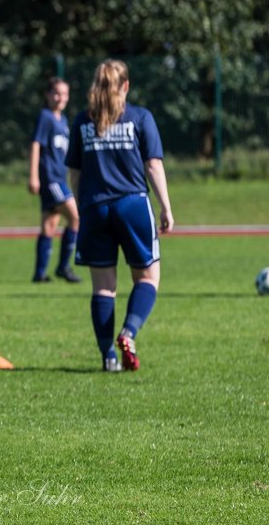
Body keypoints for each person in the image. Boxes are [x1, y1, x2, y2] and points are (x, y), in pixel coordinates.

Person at [66, 59, 173, 372]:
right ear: (125, 86)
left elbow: (74, 172)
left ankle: (108, 357)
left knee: (103, 287)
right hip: (132, 205)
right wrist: (166, 206)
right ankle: (128, 332)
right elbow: (152, 164)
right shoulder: (140, 117)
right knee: (148, 277)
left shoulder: (82, 121)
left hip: (94, 207)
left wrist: (82, 205)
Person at [27, 77, 80, 283]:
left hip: (59, 178)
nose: (61, 98)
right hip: (50, 179)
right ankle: (63, 267)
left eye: (65, 94)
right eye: (57, 93)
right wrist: (33, 176)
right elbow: (35, 145)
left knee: (49, 225)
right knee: (76, 218)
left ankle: (39, 274)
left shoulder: (63, 120)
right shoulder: (46, 117)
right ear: (48, 95)